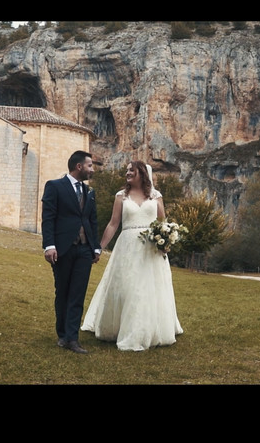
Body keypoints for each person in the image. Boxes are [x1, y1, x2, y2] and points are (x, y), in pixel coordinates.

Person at [81, 161, 183, 351]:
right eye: (127, 170)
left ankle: (149, 329)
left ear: (142, 173)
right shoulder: (121, 196)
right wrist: (99, 248)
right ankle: (121, 327)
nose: (127, 173)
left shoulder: (156, 196)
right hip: (127, 245)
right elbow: (113, 224)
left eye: (131, 170)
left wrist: (166, 241)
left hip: (151, 248)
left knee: (148, 288)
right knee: (128, 286)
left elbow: (163, 222)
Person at [41, 150, 102, 354]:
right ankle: (62, 335)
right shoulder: (55, 186)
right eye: (90, 165)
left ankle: (72, 339)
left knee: (78, 294)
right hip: (62, 249)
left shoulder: (89, 192)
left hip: (84, 250)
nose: (92, 169)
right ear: (79, 167)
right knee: (63, 293)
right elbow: (48, 217)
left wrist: (95, 247)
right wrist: (49, 245)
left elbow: (92, 220)